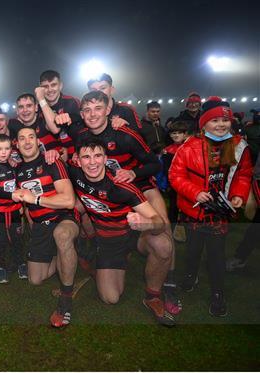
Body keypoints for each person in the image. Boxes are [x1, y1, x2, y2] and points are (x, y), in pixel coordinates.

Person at [74, 90, 179, 315]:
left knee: (163, 232)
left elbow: (155, 164)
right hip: (106, 190)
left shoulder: (125, 133)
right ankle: (100, 251)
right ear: (82, 114)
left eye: (98, 109)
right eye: (87, 110)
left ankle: (164, 287)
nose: (92, 115)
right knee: (83, 209)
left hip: (138, 185)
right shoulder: (82, 135)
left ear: (108, 109)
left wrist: (133, 172)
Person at [70, 138, 175, 326]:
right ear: (77, 160)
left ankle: (153, 296)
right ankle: (109, 261)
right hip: (109, 242)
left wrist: (145, 225)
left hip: (133, 235)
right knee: (110, 298)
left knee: (163, 244)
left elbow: (159, 222)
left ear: (105, 158)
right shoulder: (74, 172)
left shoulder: (122, 187)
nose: (92, 162)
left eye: (98, 156)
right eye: (86, 157)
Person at [169, 96, 252, 317]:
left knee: (216, 254)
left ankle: (218, 293)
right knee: (193, 249)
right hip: (193, 209)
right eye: (214, 120)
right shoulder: (190, 147)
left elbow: (242, 175)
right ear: (203, 123)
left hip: (219, 212)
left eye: (225, 120)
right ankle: (190, 275)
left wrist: (237, 195)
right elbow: (175, 176)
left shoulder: (233, 145)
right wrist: (194, 191)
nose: (220, 125)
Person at [14, 126, 78, 328]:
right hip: (41, 225)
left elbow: (69, 200)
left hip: (63, 218)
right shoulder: (17, 170)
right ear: (16, 144)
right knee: (35, 279)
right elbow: (23, 203)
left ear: (37, 140)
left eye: (31, 137)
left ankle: (66, 298)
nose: (27, 141)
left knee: (62, 235)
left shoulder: (51, 161)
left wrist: (37, 199)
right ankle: (66, 259)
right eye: (22, 138)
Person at [0, 134, 26, 283]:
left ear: (11, 149)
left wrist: (19, 203)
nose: (4, 152)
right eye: (0, 149)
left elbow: (18, 184)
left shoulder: (13, 165)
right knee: (0, 241)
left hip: (15, 210)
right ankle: (0, 268)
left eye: (7, 148)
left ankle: (20, 263)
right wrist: (12, 196)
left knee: (17, 238)